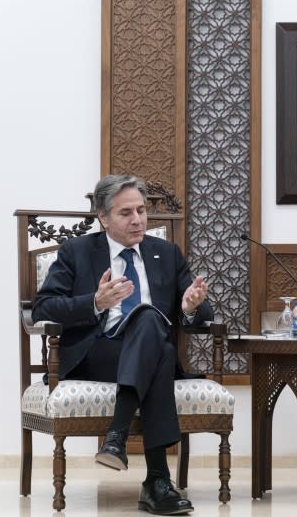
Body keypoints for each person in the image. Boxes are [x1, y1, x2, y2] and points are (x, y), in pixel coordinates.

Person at [33, 174, 211, 516]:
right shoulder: (77, 252)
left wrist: (190, 306)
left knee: (150, 326)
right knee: (161, 345)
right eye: (126, 212)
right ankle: (157, 481)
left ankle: (117, 439)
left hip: (148, 352)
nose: (138, 220)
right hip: (96, 353)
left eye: (142, 211)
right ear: (103, 217)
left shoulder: (166, 253)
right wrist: (95, 302)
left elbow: (200, 308)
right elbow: (43, 306)